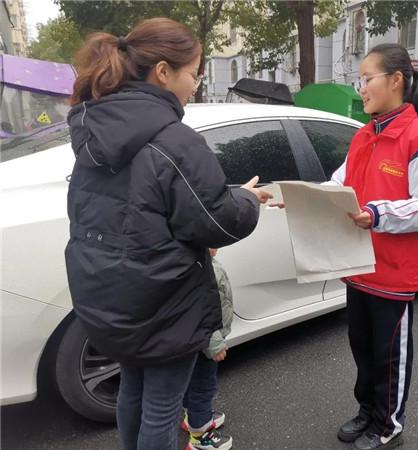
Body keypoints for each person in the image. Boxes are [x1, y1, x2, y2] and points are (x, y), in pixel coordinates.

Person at [64, 18, 272, 450]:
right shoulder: (175, 140)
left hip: (110, 297)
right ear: (163, 72)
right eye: (193, 73)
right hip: (164, 303)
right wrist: (247, 199)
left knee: (132, 392)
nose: (196, 84)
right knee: (161, 409)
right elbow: (219, 221)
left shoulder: (94, 133)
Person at [331, 43, 418, 449]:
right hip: (358, 266)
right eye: (359, 80)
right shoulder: (364, 135)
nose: (361, 88)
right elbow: (338, 184)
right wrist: (301, 198)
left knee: (389, 356)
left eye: (367, 79)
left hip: (393, 275)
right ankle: (367, 411)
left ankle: (388, 425)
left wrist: (378, 214)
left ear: (396, 80)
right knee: (363, 350)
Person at [182, 249, 234, 450]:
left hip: (193, 342)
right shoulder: (202, 270)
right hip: (206, 343)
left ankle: (191, 417)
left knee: (190, 381)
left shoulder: (193, 266)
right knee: (203, 387)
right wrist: (215, 344)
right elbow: (204, 311)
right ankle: (200, 436)